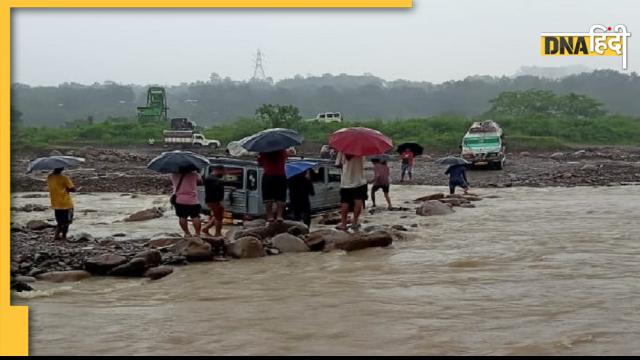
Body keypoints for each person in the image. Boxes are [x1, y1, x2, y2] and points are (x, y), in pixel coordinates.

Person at [335, 152, 367, 231]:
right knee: (358, 202)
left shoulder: (342, 151)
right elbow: (363, 164)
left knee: (345, 203)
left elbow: (338, 164)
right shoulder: (361, 151)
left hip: (346, 182)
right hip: (359, 181)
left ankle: (343, 224)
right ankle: (355, 222)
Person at [170, 165, 203, 237]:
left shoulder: (173, 174)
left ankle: (187, 233)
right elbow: (200, 182)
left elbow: (173, 183)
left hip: (179, 199)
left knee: (182, 217)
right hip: (192, 200)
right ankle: (197, 233)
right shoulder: (194, 174)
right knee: (195, 216)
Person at [257, 149, 288, 222]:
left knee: (268, 198)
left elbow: (260, 163)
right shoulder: (282, 150)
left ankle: (270, 216)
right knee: (281, 198)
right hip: (280, 175)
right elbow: (285, 158)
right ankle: (279, 216)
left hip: (268, 175)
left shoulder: (263, 151)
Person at [46, 168, 76, 240]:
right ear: (62, 169)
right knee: (67, 222)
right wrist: (68, 189)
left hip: (55, 203)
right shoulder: (65, 178)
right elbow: (73, 189)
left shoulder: (49, 177)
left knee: (59, 221)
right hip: (66, 203)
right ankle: (64, 236)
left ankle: (56, 235)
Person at [202, 165, 225, 237]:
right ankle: (218, 233)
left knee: (216, 216)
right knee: (219, 218)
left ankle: (206, 228)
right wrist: (220, 201)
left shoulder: (209, 178)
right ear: (218, 170)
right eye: (222, 171)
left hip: (210, 200)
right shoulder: (215, 180)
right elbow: (218, 192)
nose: (223, 173)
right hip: (215, 201)